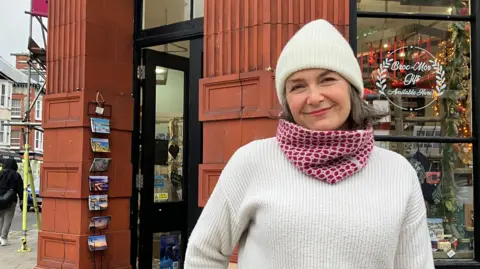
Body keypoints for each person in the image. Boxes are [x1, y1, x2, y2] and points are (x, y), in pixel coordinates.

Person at [184, 19, 434, 269]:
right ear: (286, 100)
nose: (314, 97)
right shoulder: (251, 162)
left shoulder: (398, 173)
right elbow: (204, 255)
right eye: (298, 86)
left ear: (352, 88)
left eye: (327, 80)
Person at [0, 159, 23, 246]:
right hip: (10, 199)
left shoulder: (0, 173)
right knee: (7, 219)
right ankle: (3, 238)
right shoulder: (16, 175)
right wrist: (21, 199)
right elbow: (20, 189)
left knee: (1, 218)